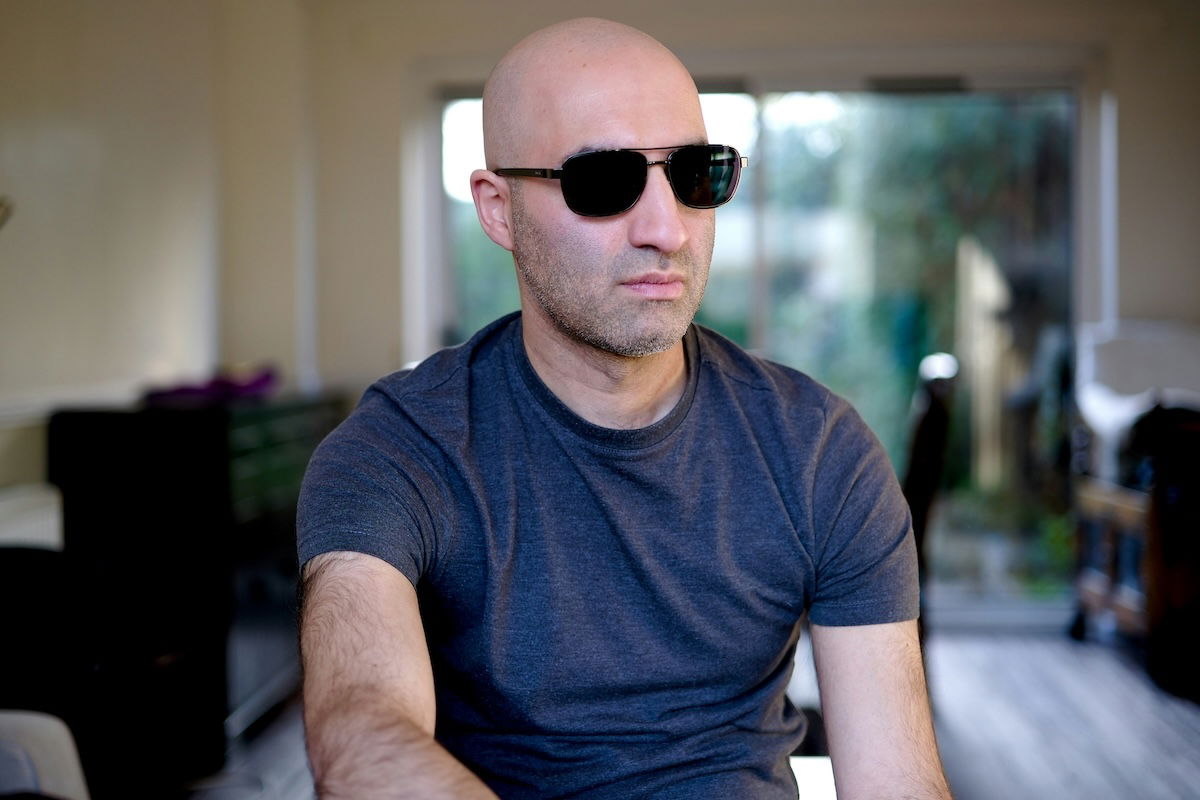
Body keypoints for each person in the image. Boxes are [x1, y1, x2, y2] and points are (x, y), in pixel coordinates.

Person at [297, 17, 952, 800]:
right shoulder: (394, 454)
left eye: (695, 175)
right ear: (498, 209)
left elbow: (898, 785)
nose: (666, 229)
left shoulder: (818, 451)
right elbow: (358, 737)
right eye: (603, 182)